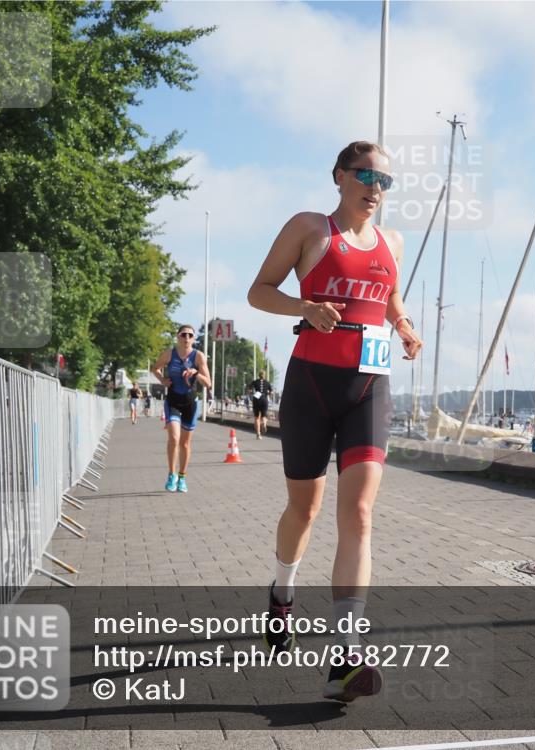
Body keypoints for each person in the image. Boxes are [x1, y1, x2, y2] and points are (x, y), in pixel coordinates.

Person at [247, 140, 422, 702]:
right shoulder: (310, 228)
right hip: (310, 389)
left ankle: (346, 656)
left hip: (370, 389)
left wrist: (405, 325)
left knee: (361, 512)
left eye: (385, 181)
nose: (376, 188)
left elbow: (388, 294)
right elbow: (259, 291)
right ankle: (281, 590)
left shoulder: (392, 241)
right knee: (306, 509)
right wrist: (305, 308)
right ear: (340, 177)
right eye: (366, 176)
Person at [152, 324, 212, 493]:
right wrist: (163, 380)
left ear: (193, 339)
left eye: (190, 335)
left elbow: (209, 383)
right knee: (174, 438)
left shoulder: (198, 357)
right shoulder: (169, 354)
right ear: (177, 337)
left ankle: (182, 477)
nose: (186, 338)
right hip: (173, 401)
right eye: (183, 335)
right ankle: (172, 475)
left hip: (190, 404)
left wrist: (196, 373)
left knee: (185, 444)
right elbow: (155, 368)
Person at [249, 371, 274, 439]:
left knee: (257, 417)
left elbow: (250, 390)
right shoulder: (267, 383)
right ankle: (264, 424)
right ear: (264, 375)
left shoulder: (255, 382)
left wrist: (252, 394)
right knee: (264, 416)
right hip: (264, 399)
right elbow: (271, 392)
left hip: (257, 398)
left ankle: (258, 434)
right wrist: (267, 394)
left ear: (259, 375)